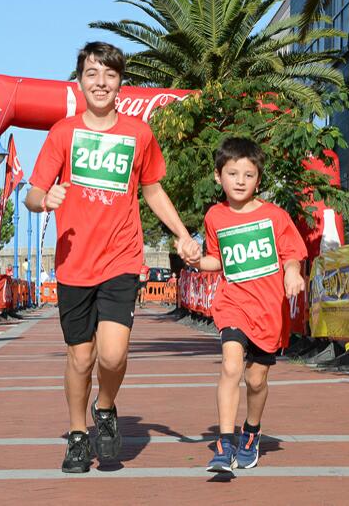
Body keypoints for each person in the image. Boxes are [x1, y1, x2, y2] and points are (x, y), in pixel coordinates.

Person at [25, 41, 200, 473]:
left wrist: (182, 235)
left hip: (122, 258)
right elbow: (31, 194)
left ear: (120, 82)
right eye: (92, 73)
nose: (100, 82)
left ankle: (104, 409)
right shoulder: (63, 133)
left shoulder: (138, 134)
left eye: (109, 74)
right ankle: (78, 435)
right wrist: (46, 198)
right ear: (80, 80)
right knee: (80, 358)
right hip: (73, 263)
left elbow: (153, 190)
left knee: (113, 355)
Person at [187, 137, 307, 473]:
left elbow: (292, 254)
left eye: (249, 174)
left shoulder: (275, 216)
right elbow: (217, 261)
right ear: (218, 176)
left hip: (268, 311)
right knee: (230, 366)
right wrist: (197, 261)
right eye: (232, 173)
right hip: (232, 303)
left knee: (256, 381)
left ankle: (251, 433)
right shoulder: (215, 216)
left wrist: (293, 274)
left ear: (258, 179)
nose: (240, 181)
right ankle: (225, 444)